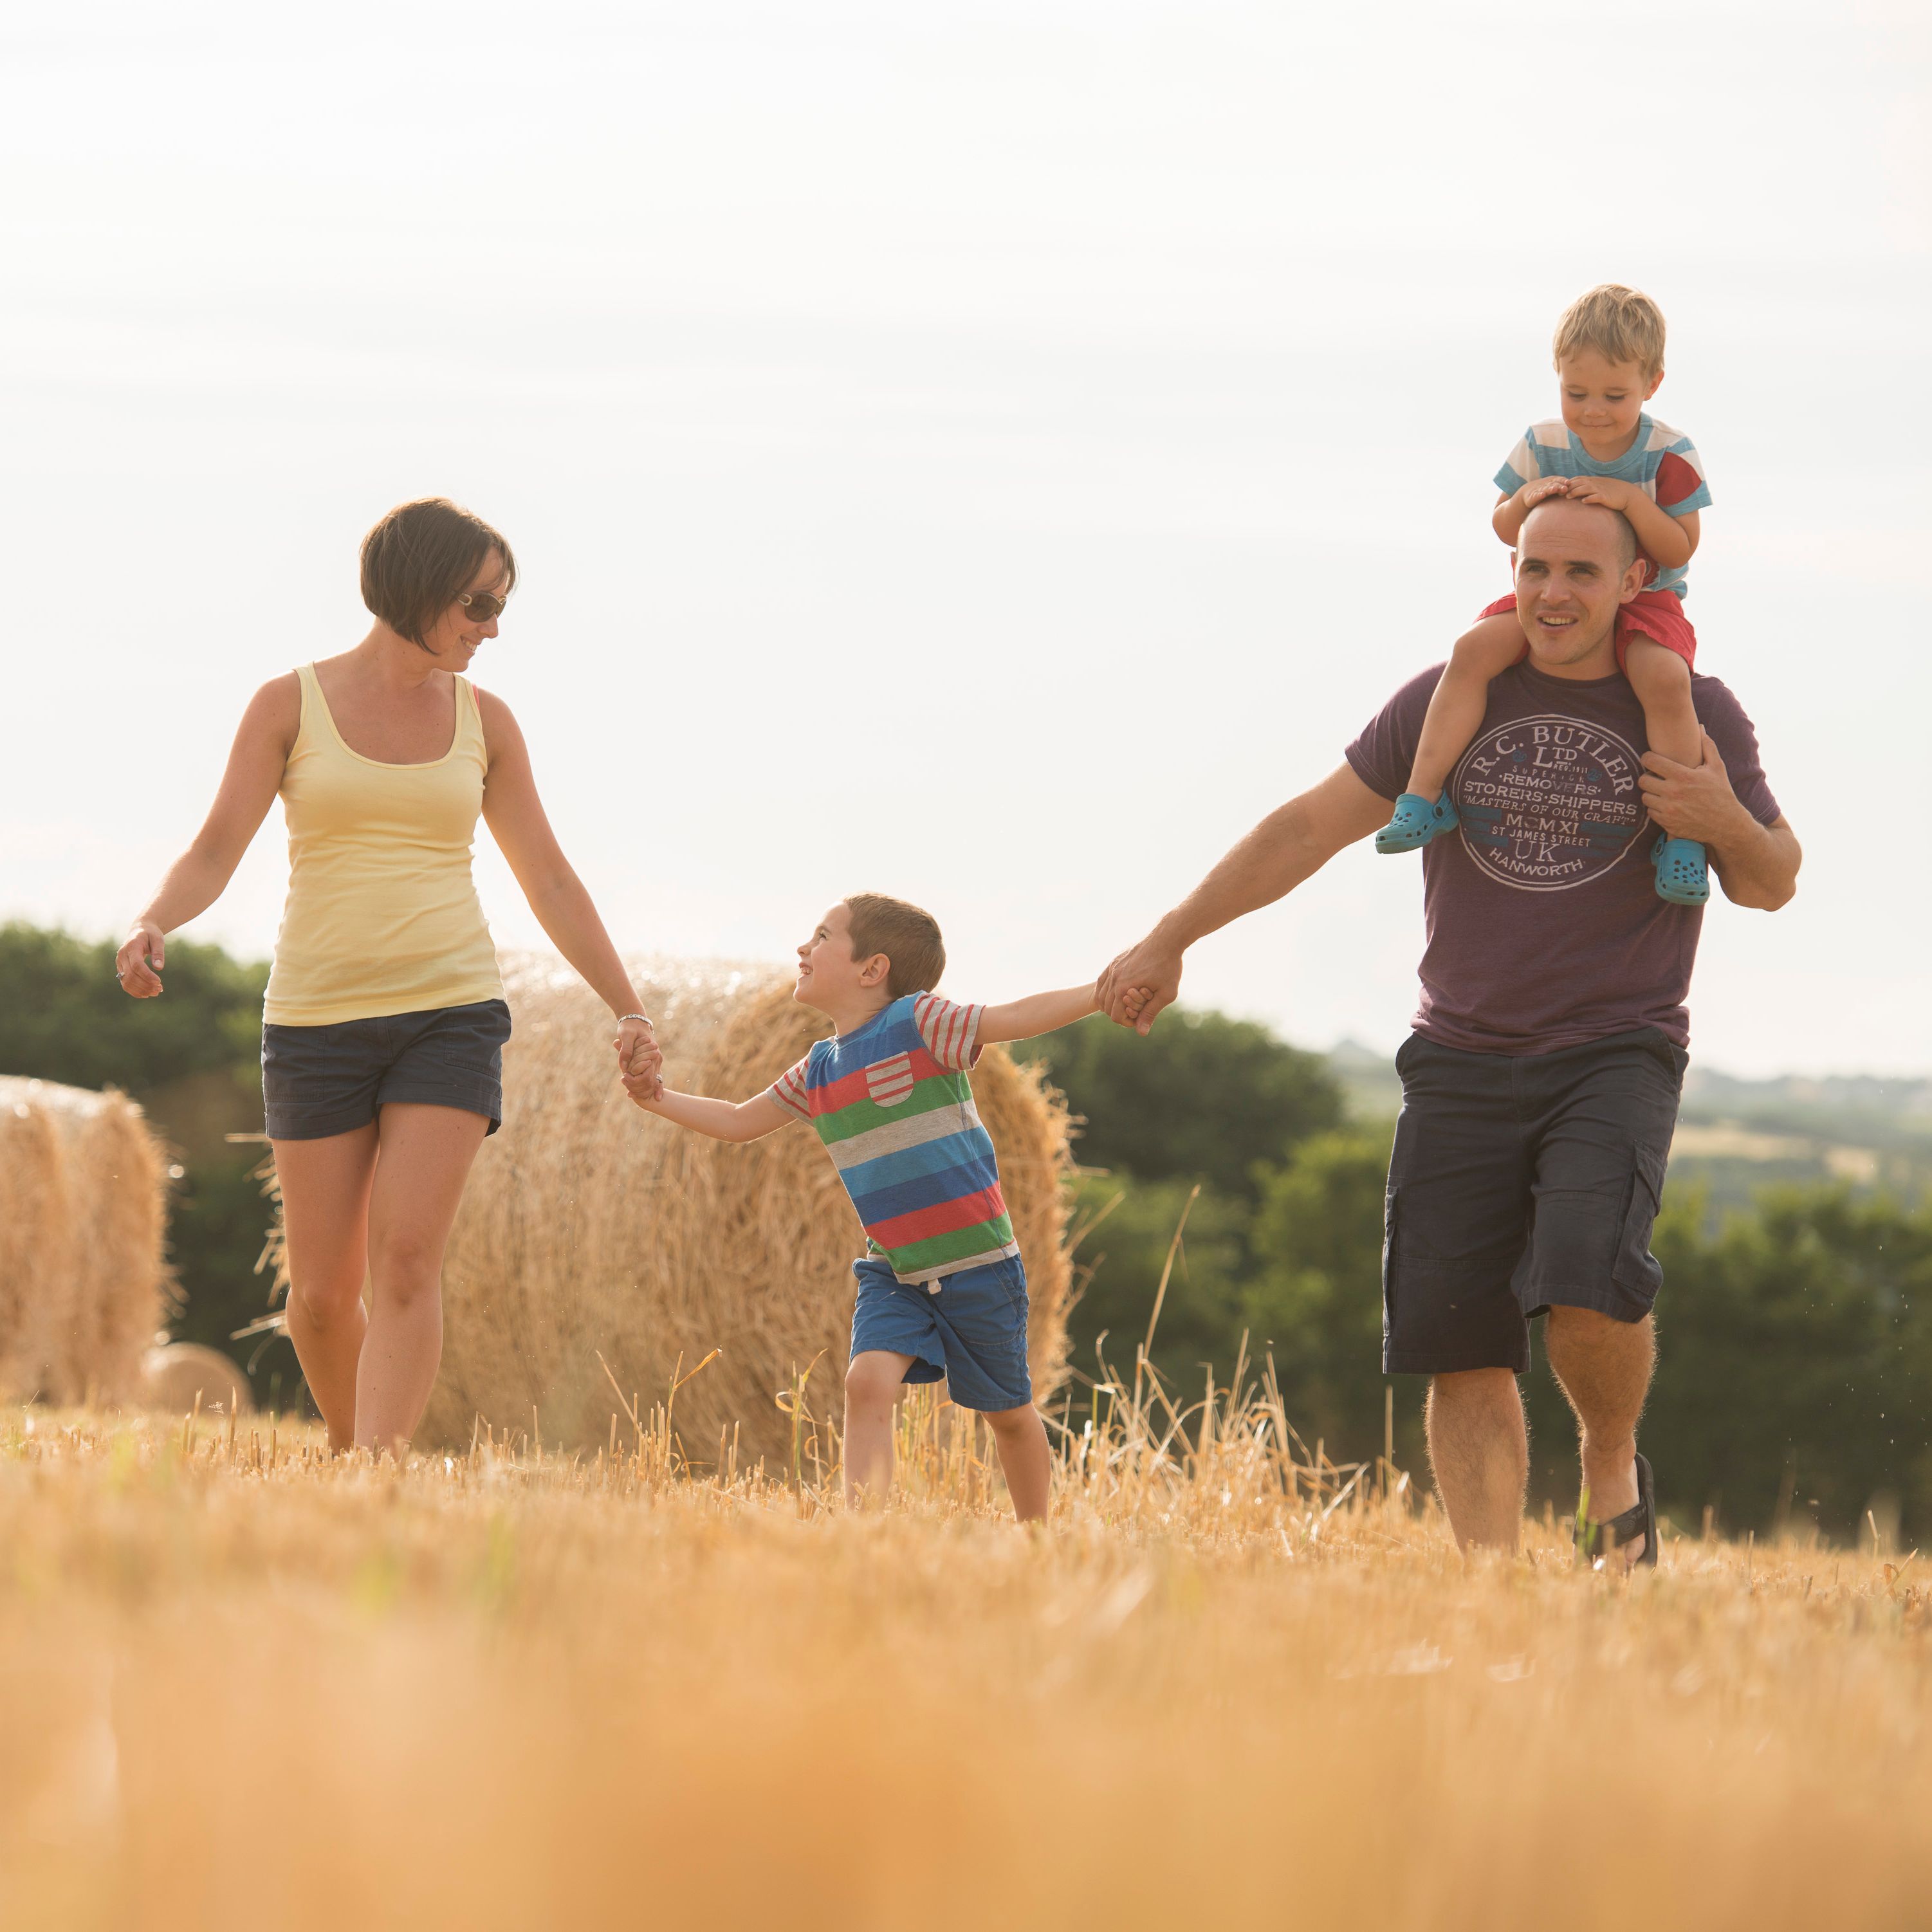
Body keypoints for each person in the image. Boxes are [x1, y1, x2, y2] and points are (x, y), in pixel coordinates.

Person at [1098, 496, 1800, 1565]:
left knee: (1587, 1283)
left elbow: (1771, 880)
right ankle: (1490, 1590)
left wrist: (1718, 820)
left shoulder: (1690, 706)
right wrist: (1169, 938)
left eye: (1579, 572)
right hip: (1457, 1055)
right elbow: (1306, 825)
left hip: (1614, 1046)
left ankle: (1608, 1457)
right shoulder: (1449, 696)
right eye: (1532, 567)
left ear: (1631, 585)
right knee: (1458, 1336)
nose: (1550, 593)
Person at [116, 497, 658, 1456]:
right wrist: (153, 919)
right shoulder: (288, 705)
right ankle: (351, 1450)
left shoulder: (488, 723)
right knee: (324, 1297)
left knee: (406, 1259)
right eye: (478, 604)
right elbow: (213, 850)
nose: (492, 628)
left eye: (500, 607)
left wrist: (628, 1007)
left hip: (450, 1012)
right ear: (417, 588)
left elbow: (549, 878)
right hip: (314, 1018)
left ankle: (380, 1469)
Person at [621, 894, 1114, 1523]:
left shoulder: (918, 1022)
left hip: (978, 1263)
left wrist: (1098, 994)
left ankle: (1039, 1535)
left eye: (822, 936)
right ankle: (869, 1530)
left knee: (1009, 1417)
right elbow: (740, 1120)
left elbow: (1010, 1017)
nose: (803, 947)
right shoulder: (818, 1069)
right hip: (894, 1269)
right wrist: (657, 1099)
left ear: (872, 968)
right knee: (866, 1383)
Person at [1375, 285, 1716, 906]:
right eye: (1575, 393)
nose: (1592, 411)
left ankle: (1683, 838)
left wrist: (1629, 501)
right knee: (1472, 650)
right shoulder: (1541, 442)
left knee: (1664, 679)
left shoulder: (1668, 452)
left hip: (1646, 597)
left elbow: (1679, 546)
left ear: (1651, 383)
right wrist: (1525, 500)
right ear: (1557, 377)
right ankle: (1421, 797)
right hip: (1557, 591)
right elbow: (1503, 525)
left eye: (1613, 396)